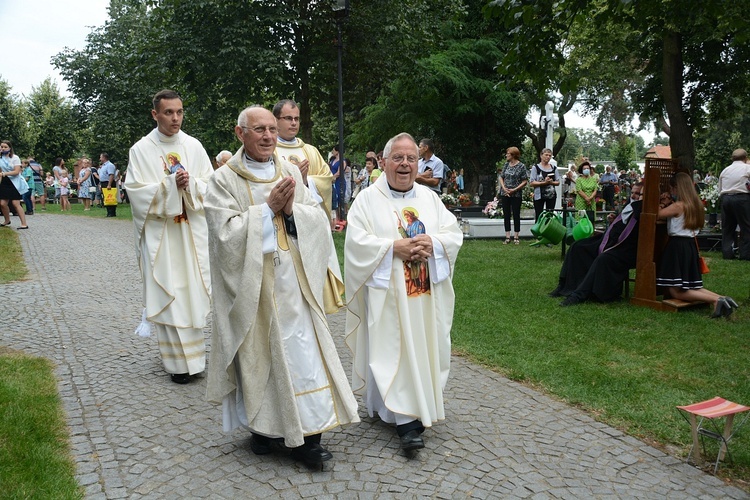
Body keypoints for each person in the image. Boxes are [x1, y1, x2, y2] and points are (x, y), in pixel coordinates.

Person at [203, 105, 358, 465]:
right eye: (260, 129)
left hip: (294, 286)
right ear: (240, 133)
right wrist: (265, 210)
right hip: (253, 291)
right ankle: (263, 429)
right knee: (259, 359)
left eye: (272, 129)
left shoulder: (288, 170)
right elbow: (222, 237)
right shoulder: (224, 180)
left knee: (304, 358)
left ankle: (309, 438)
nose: (269, 136)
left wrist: (289, 212)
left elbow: (316, 221)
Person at [345, 132, 463, 453]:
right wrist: (391, 248)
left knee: (424, 346)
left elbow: (452, 234)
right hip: (388, 299)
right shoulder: (367, 200)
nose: (405, 164)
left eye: (411, 158)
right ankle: (406, 420)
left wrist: (434, 243)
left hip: (424, 295)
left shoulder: (429, 198)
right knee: (395, 349)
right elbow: (355, 244)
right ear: (383, 162)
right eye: (398, 158)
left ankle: (419, 404)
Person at [124, 89, 213, 384]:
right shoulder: (141, 149)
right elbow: (136, 192)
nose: (175, 118)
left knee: (192, 291)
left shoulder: (194, 146)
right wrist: (169, 185)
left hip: (190, 233)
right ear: (155, 114)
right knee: (171, 291)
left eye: (179, 112)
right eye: (168, 113)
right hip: (162, 236)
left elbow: (211, 186)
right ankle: (177, 364)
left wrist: (190, 185)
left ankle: (196, 359)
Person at [657, 172, 738, 318]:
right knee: (693, 285)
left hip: (677, 246)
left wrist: (662, 202)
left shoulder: (678, 206)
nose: (671, 191)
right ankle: (723, 298)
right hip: (690, 245)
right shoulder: (696, 205)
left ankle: (716, 299)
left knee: (676, 290)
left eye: (672, 188)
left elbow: (657, 214)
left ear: (677, 188)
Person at [552, 182, 644, 305]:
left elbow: (634, 223)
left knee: (603, 259)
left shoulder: (643, 208)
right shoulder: (631, 204)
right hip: (608, 240)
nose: (633, 196)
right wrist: (614, 220)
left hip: (624, 247)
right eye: (632, 193)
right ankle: (564, 286)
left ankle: (579, 295)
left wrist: (642, 199)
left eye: (638, 194)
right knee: (577, 247)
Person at [272, 99, 334, 214]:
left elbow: (327, 178)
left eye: (297, 118)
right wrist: (295, 178)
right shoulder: (269, 151)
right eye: (289, 118)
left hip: (309, 213)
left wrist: (306, 181)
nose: (294, 123)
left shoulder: (310, 151)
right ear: (275, 121)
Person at [718, 148, 750, 260]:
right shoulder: (747, 168)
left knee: (727, 227)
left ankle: (727, 253)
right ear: (745, 158)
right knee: (746, 227)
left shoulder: (725, 170)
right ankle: (745, 254)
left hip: (726, 198)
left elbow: (720, 188)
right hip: (742, 198)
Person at [498, 147, 528, 245]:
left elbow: (524, 181)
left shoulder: (521, 166)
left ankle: (516, 236)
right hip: (505, 193)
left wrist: (514, 189)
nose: (506, 155)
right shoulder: (506, 164)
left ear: (513, 155)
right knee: (506, 214)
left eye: (508, 154)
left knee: (516, 214)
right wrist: (504, 188)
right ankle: (507, 236)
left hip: (516, 194)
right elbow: (501, 177)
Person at [0, 140, 29, 229]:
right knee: (2, 203)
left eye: (5, 147)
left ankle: (24, 223)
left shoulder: (15, 158)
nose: (3, 148)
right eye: (1, 147)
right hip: (5, 182)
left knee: (15, 203)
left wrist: (5, 174)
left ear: (10, 148)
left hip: (15, 182)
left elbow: (17, 171)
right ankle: (7, 220)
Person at [529, 148, 560, 221]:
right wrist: (544, 183)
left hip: (551, 195)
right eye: (546, 155)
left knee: (549, 215)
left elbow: (558, 182)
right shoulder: (535, 168)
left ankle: (548, 231)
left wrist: (551, 182)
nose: (548, 157)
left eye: (550, 155)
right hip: (539, 195)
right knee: (539, 215)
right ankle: (538, 231)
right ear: (541, 155)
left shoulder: (554, 168)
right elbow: (532, 182)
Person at [98, 153, 118, 217]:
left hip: (108, 182)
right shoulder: (103, 166)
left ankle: (112, 212)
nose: (100, 159)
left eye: (101, 157)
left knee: (110, 197)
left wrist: (109, 184)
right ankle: (108, 212)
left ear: (104, 158)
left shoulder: (110, 165)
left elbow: (111, 175)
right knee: (106, 198)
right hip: (103, 183)